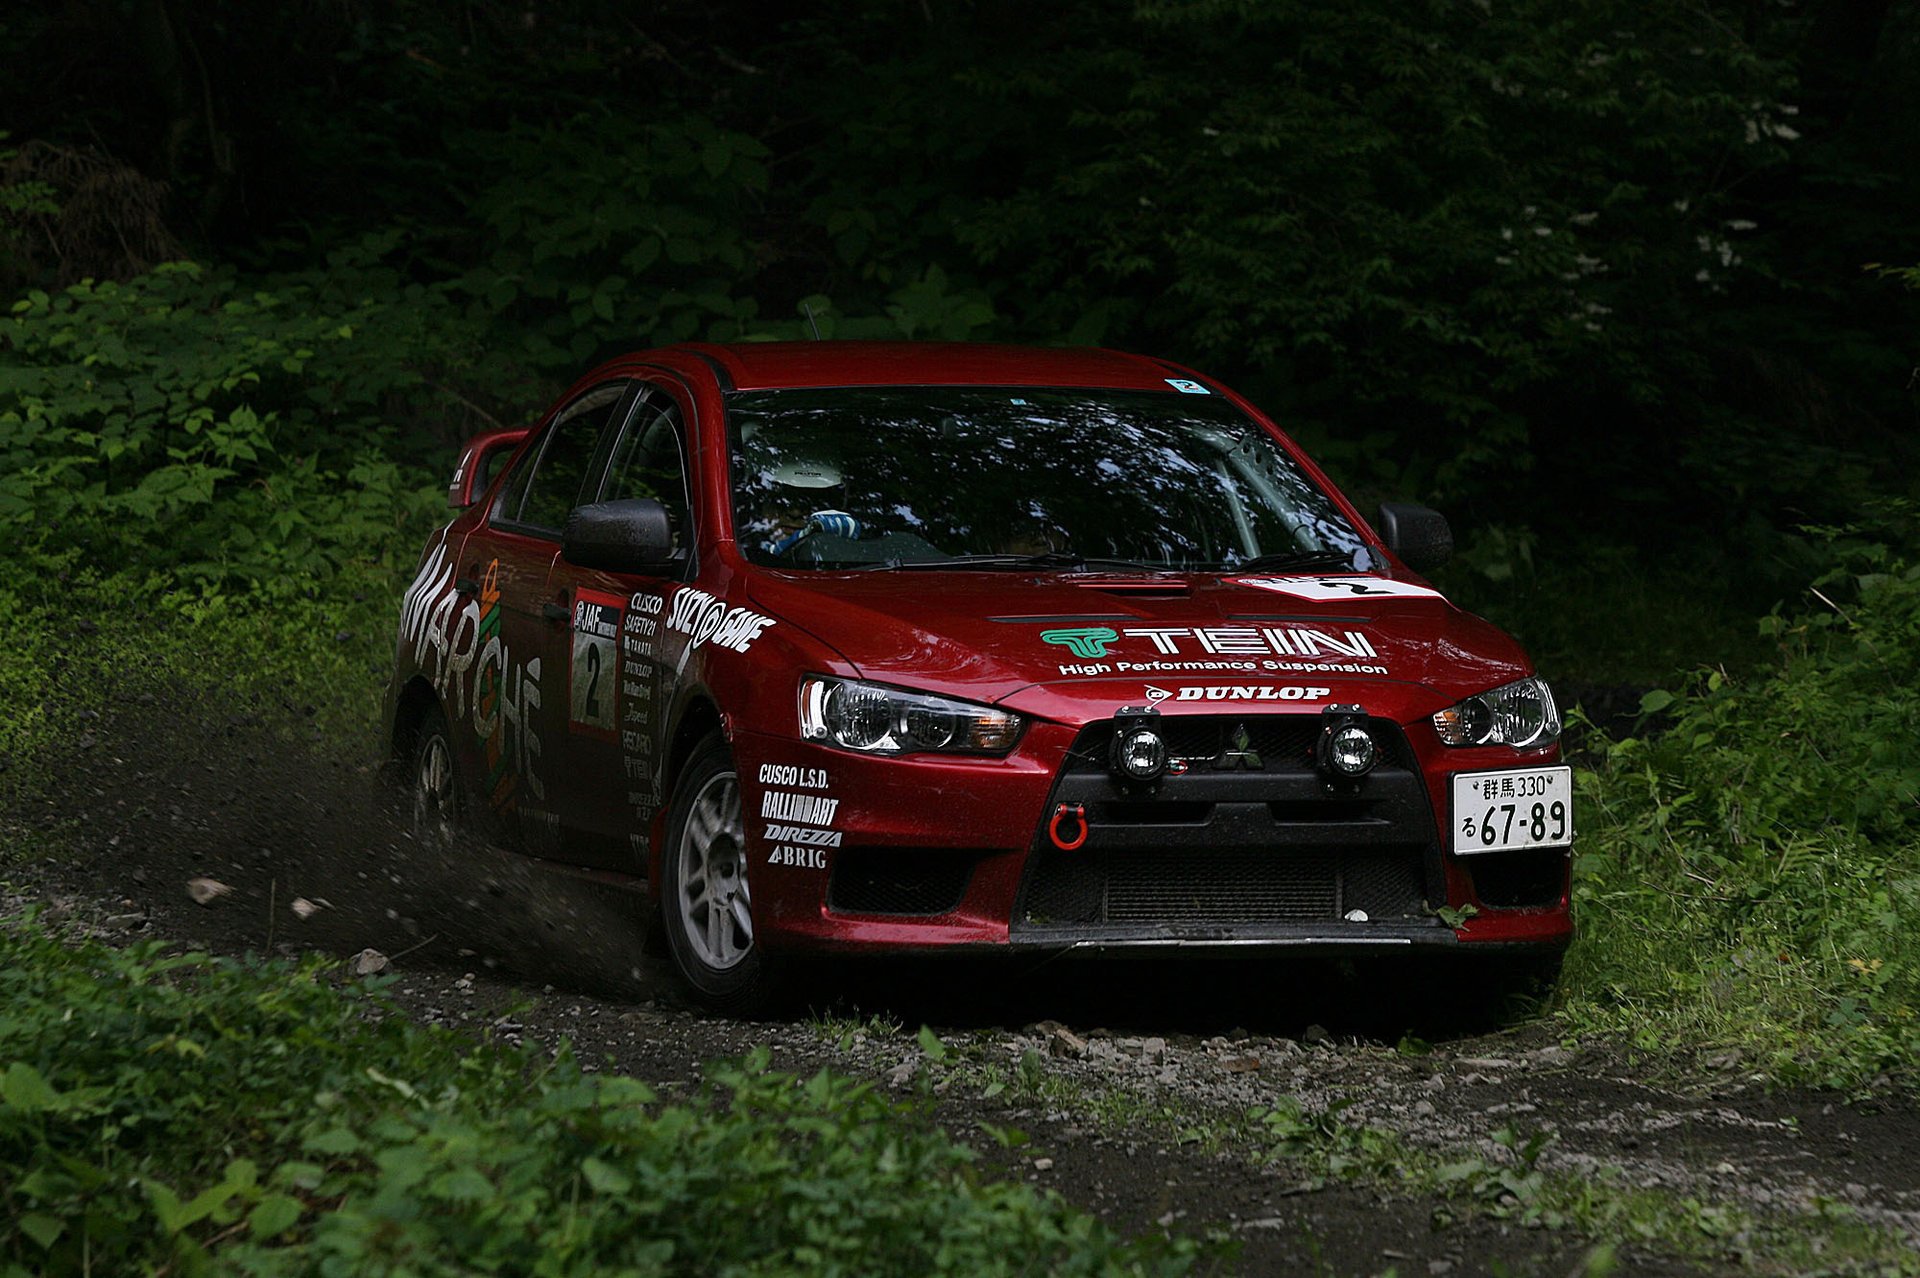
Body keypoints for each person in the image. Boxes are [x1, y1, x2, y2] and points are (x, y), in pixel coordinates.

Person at [761, 461, 863, 556]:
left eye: (812, 501)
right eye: (780, 500)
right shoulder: (748, 546)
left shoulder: (866, 552)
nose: (795, 513)